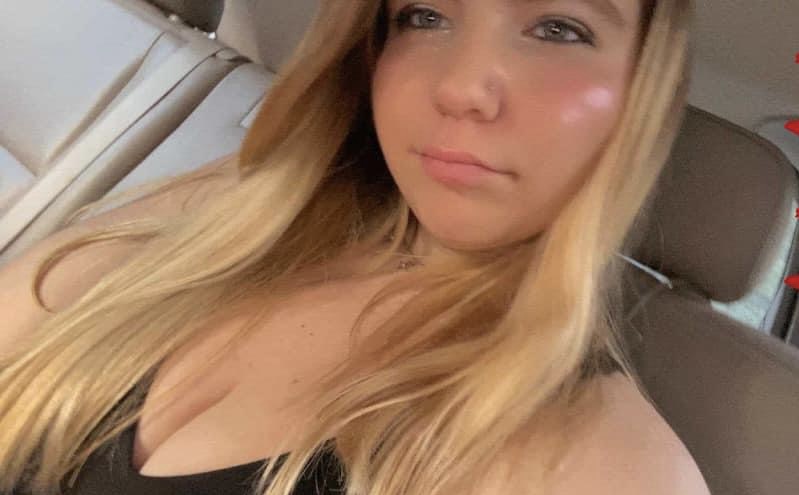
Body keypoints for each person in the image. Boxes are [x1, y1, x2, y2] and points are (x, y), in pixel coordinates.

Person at [0, 0, 710, 494]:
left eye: (558, 28)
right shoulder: (230, 208)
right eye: (423, 17)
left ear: (645, 95)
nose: (461, 88)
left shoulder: (609, 461)